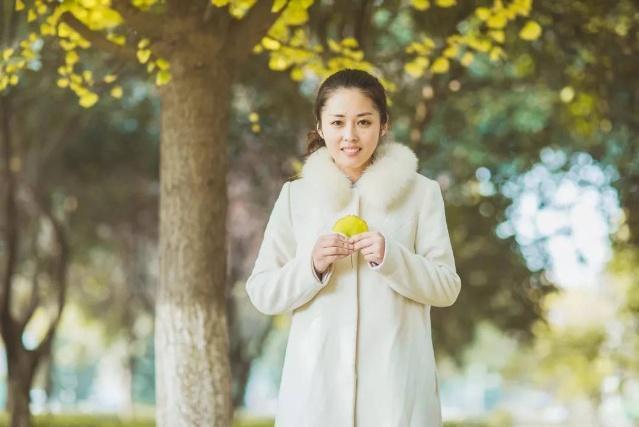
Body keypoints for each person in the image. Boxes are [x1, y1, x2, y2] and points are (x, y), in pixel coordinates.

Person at [245, 68, 462, 427]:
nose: (350, 136)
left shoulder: (421, 193)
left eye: (363, 122)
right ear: (320, 126)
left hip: (397, 395)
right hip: (315, 397)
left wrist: (392, 258)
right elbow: (262, 293)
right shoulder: (295, 197)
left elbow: (447, 287)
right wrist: (311, 265)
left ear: (384, 125)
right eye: (337, 122)